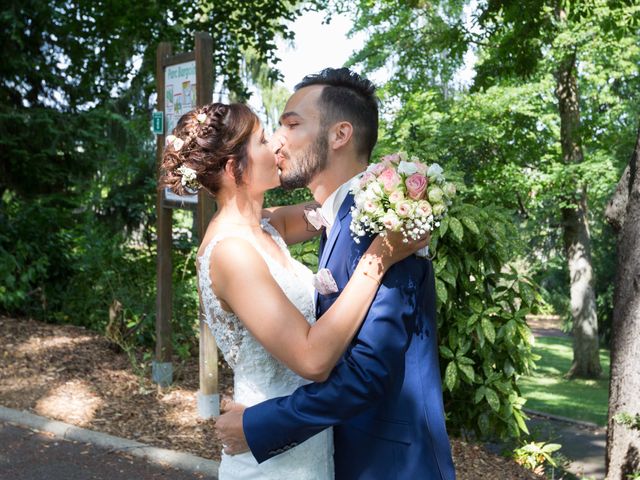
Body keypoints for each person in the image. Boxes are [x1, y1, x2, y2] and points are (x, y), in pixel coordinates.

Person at [160, 101, 428, 480]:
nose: (277, 146)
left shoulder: (266, 225)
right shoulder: (232, 253)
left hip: (306, 439)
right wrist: (379, 258)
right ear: (235, 168)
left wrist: (396, 184)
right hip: (273, 456)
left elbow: (333, 203)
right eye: (263, 140)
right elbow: (312, 359)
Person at [215, 68, 457, 479]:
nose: (277, 140)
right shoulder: (339, 216)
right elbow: (254, 223)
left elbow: (367, 372)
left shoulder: (387, 217)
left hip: (392, 466)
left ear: (340, 134)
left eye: (291, 124)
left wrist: (260, 425)